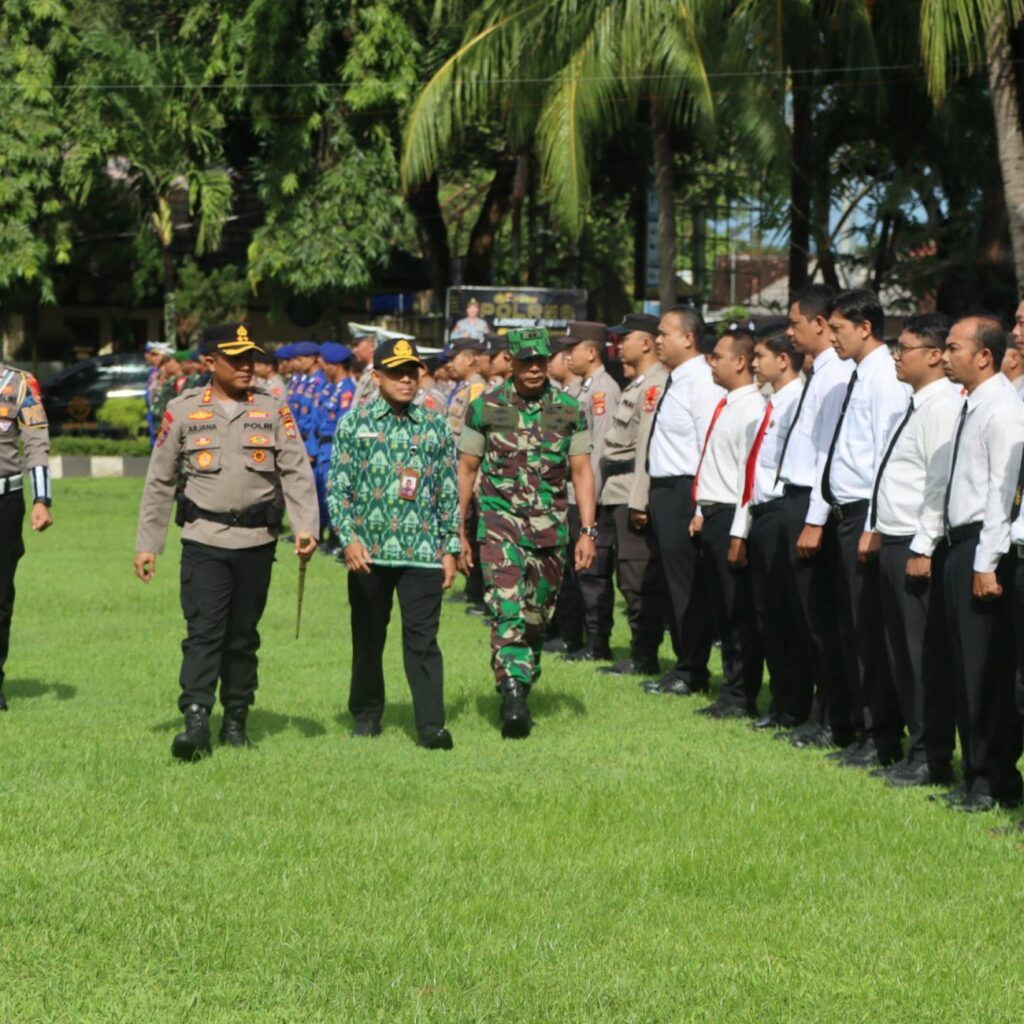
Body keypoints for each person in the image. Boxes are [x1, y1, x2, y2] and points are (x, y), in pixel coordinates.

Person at [134, 323, 319, 761]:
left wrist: (306, 524)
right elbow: (160, 480)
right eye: (235, 359)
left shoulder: (273, 409)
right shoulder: (182, 411)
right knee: (203, 633)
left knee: (242, 637)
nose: (245, 366)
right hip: (204, 539)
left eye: (250, 357)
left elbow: (295, 469)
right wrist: (148, 543)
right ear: (210, 363)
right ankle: (196, 719)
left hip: (257, 541)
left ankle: (236, 719)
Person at [457, 327, 597, 739]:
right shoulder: (484, 408)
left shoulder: (569, 409)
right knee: (508, 611)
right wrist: (459, 531)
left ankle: (521, 675)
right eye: (526, 362)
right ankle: (513, 697)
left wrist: (587, 530)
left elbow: (582, 472)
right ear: (510, 363)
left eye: (541, 361)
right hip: (499, 528)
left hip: (550, 532)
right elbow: (466, 471)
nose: (535, 369)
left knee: (536, 618)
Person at [913, 316, 1024, 811]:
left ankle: (991, 778)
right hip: (959, 546)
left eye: (954, 347)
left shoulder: (1002, 410)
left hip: (985, 546)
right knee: (959, 665)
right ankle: (971, 770)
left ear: (984, 355)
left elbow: (1003, 496)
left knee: (986, 673)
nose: (946, 354)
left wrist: (985, 563)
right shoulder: (971, 406)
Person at [327, 338, 460, 749]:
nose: (407, 379)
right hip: (369, 553)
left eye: (413, 371)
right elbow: (338, 488)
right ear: (377, 375)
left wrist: (450, 546)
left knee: (422, 640)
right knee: (368, 637)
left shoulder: (435, 425)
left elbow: (447, 491)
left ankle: (430, 725)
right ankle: (366, 714)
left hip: (421, 553)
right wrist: (348, 540)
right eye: (397, 372)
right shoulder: (356, 423)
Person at [814, 289, 909, 770]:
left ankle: (883, 734)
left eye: (838, 329)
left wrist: (873, 524)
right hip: (843, 516)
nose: (831, 338)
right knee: (852, 629)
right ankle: (863, 728)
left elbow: (884, 459)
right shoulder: (857, 376)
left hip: (864, 517)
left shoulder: (885, 380)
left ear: (865, 327)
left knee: (870, 632)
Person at [872, 314, 959, 787]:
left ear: (933, 354)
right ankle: (917, 746)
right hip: (893, 537)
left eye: (903, 348)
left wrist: (923, 546)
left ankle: (932, 754)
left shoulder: (942, 405)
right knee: (900, 653)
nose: (895, 356)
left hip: (915, 543)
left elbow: (938, 485)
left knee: (922, 655)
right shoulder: (915, 403)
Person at [775, 284, 854, 750]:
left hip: (813, 502)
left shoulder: (835, 375)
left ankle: (832, 719)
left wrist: (815, 517)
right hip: (797, 498)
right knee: (805, 618)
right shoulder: (818, 372)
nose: (790, 331)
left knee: (823, 622)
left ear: (819, 324)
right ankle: (819, 712)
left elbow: (830, 454)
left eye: (794, 322)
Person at [729, 326, 812, 729]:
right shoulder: (772, 402)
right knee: (768, 615)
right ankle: (780, 702)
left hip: (783, 511)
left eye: (760, 356)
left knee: (787, 613)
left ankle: (795, 703)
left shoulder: (800, 400)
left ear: (783, 359)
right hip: (762, 513)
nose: (755, 363)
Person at [642, 307, 721, 696]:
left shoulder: (702, 381)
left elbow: (710, 444)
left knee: (687, 586)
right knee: (673, 584)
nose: (657, 340)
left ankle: (693, 669)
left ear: (688, 338)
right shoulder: (677, 380)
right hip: (664, 491)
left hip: (685, 491)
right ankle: (684, 663)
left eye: (664, 333)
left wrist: (702, 506)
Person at [689, 328, 765, 718]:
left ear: (740, 361)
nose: (710, 361)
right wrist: (701, 512)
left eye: (717, 355)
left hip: (732, 519)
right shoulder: (727, 404)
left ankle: (741, 694)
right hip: (714, 516)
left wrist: (739, 531)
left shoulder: (751, 408)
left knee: (738, 613)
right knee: (723, 610)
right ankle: (731, 688)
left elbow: (745, 479)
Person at [596, 313, 669, 677]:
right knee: (628, 575)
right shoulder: (637, 383)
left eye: (625, 337)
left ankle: (645, 655)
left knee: (638, 576)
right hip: (618, 491)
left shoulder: (655, 385)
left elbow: (646, 449)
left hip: (631, 492)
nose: (618, 344)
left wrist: (640, 499)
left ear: (646, 342)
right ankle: (642, 650)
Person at [563, 321, 621, 662]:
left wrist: (591, 501)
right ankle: (583, 637)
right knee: (578, 571)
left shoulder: (603, 390)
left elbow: (599, 449)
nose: (568, 354)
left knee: (594, 573)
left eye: (574, 348)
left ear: (591, 352)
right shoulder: (585, 388)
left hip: (589, 496)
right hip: (574, 494)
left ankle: (598, 643)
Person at [0, 362, 53, 712]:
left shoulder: (17, 384)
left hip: (4, 501)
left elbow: (36, 442)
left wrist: (41, 499)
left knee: (0, 593)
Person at [446, 336, 488, 614]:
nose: (451, 363)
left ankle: (480, 591)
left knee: (476, 533)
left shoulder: (477, 390)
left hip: (472, 469)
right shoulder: (463, 388)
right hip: (459, 467)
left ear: (470, 358)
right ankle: (473, 588)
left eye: (456, 357)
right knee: (469, 530)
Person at [309, 342, 356, 550]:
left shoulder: (347, 391)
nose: (323, 368)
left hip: (334, 447)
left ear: (336, 365)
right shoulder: (330, 388)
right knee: (320, 493)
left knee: (333, 494)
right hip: (321, 447)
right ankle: (325, 534)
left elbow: (342, 422)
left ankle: (335, 537)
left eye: (326, 364)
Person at [351, 332, 380, 407]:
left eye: (357, 345)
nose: (354, 350)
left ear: (372, 346)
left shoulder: (378, 373)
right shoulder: (366, 371)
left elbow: (373, 405)